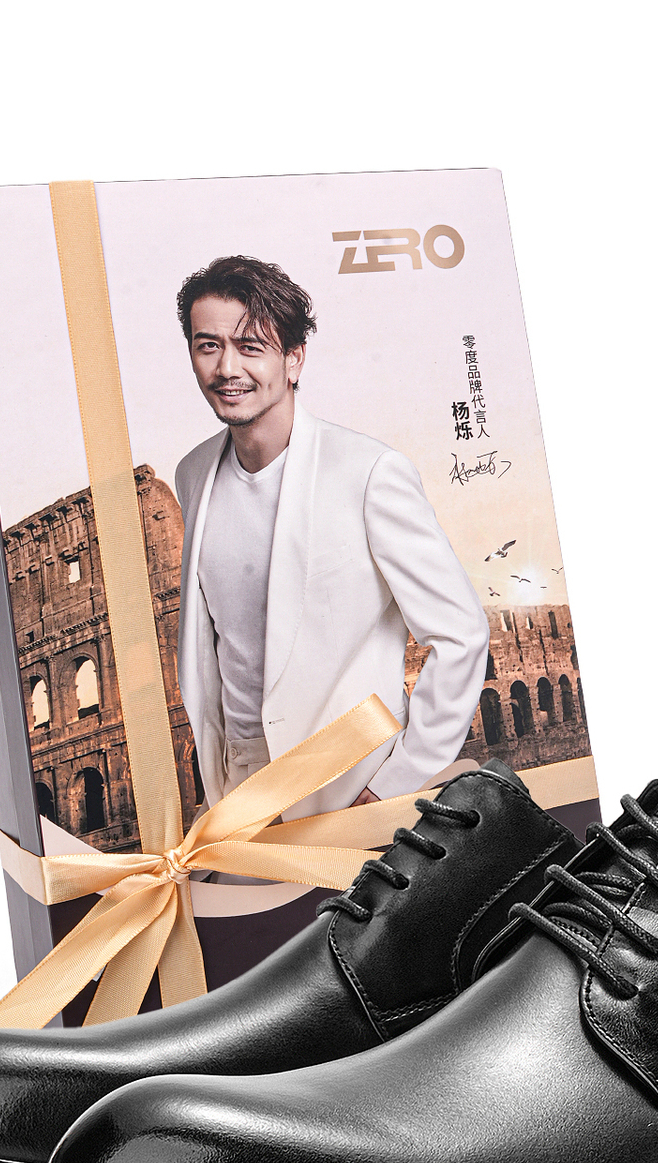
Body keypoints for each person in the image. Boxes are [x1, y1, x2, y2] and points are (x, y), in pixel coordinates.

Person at [172, 255, 488, 819]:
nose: (226, 368)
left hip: (350, 784)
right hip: (241, 790)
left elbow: (460, 635)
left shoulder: (368, 473)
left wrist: (395, 781)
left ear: (293, 359)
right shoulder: (193, 474)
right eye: (208, 346)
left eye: (250, 346)